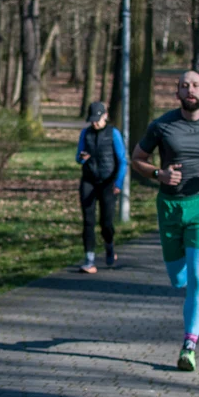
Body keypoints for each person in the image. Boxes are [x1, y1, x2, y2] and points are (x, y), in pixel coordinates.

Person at [131, 70, 199, 373]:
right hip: (169, 206)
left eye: (195, 85)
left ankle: (189, 345)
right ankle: (189, 326)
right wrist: (158, 174)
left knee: (197, 276)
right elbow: (136, 158)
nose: (189, 89)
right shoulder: (162, 126)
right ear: (177, 93)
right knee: (178, 278)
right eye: (184, 85)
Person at [75, 101, 128, 273]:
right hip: (89, 181)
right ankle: (89, 259)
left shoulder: (113, 134)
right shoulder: (86, 133)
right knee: (88, 221)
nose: (94, 123)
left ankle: (109, 245)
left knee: (106, 222)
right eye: (92, 120)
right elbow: (78, 157)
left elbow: (122, 160)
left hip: (108, 182)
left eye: (97, 119)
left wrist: (118, 183)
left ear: (105, 116)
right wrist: (83, 157)